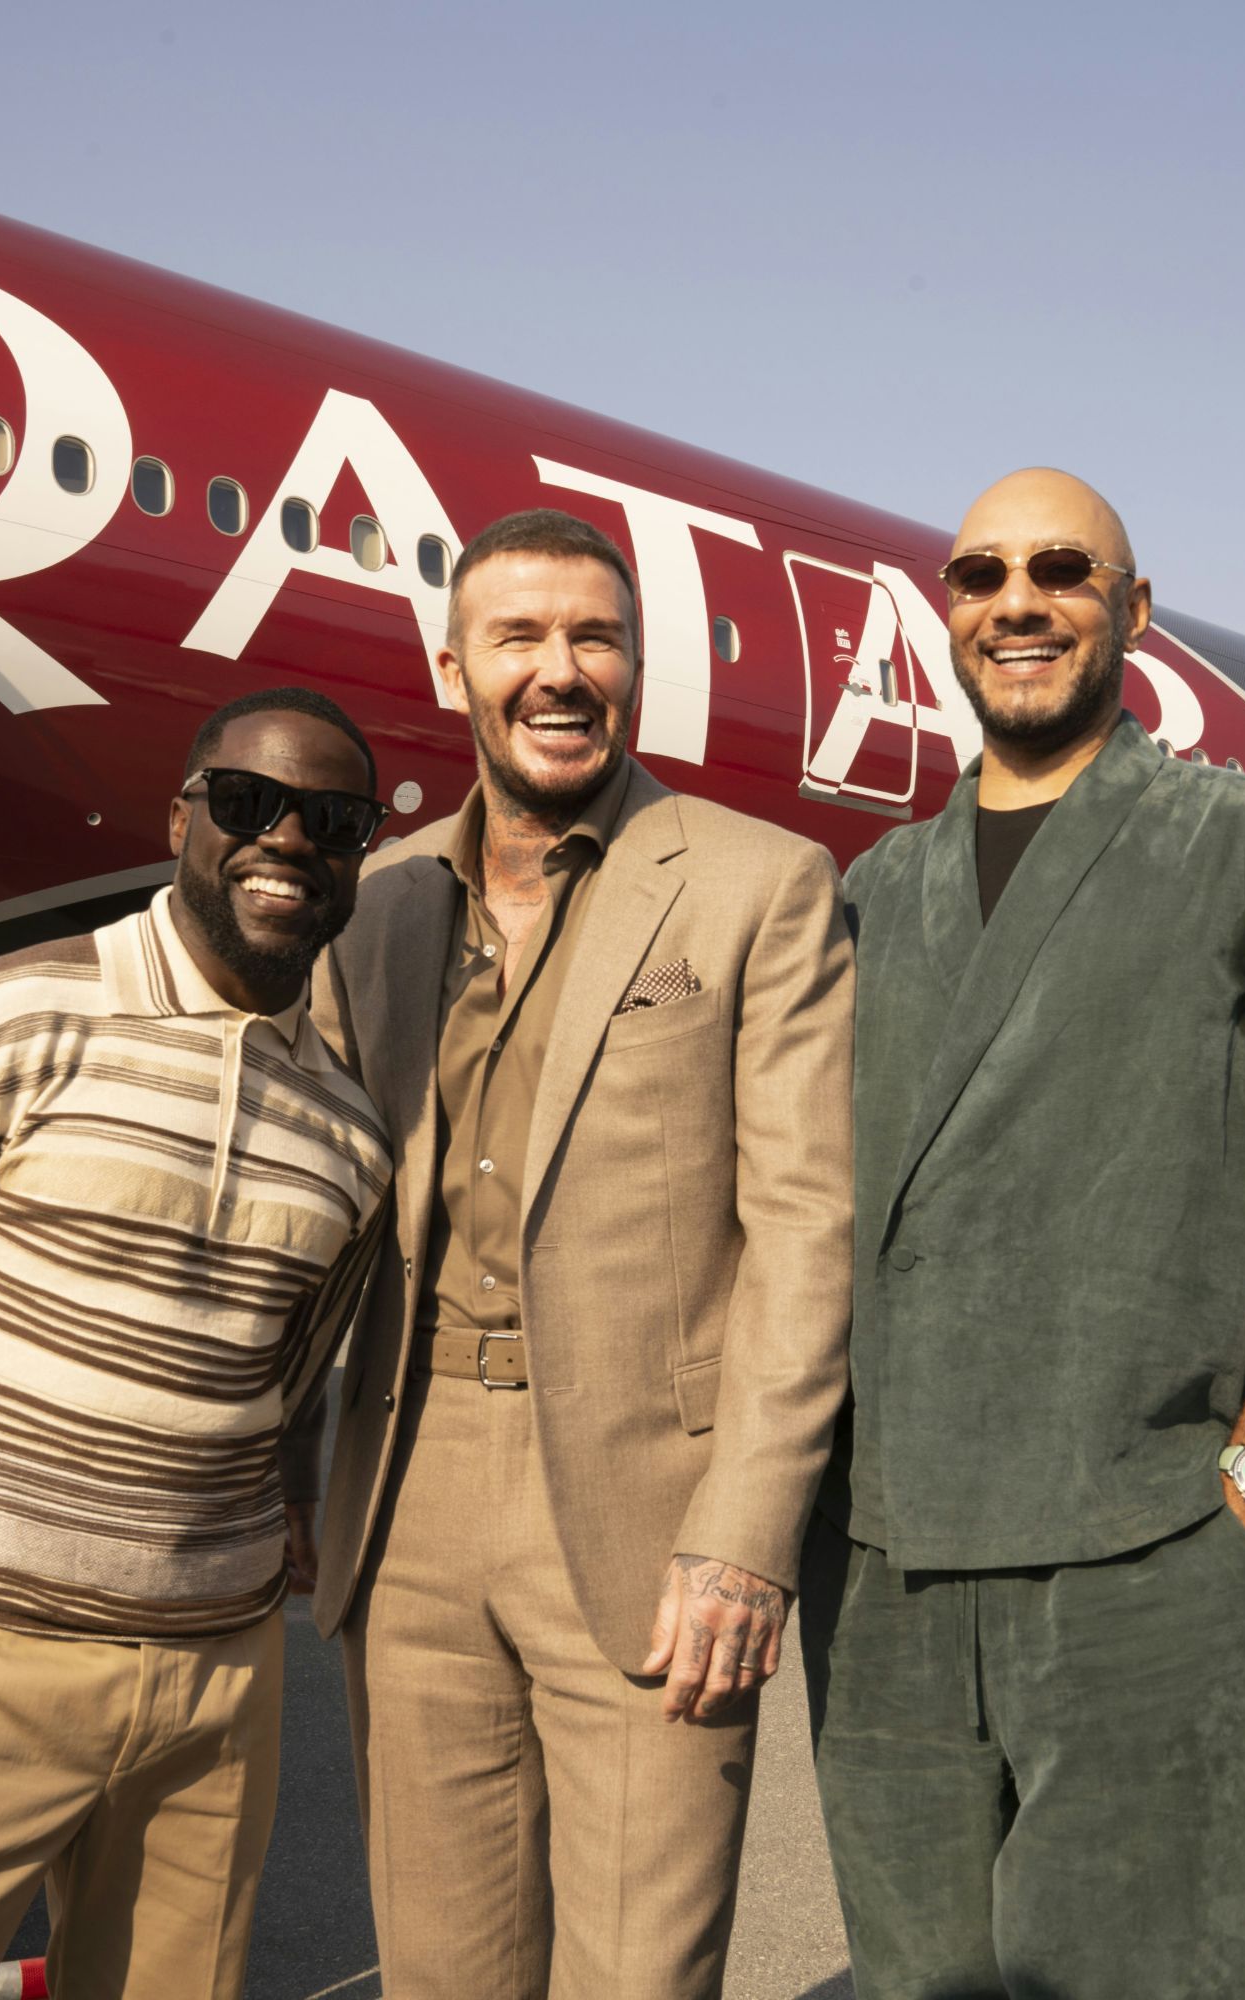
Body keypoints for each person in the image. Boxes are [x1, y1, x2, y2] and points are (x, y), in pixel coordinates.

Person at [802, 469, 1245, 1999]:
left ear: (1133, 612)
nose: (1017, 599)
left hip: (1145, 1551)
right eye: (979, 574)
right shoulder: (870, 893)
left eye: (1063, 567)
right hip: (885, 1572)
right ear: (947, 616)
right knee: (919, 1979)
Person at [0, 687, 393, 2000]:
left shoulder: (347, 1132)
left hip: (214, 1694)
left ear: (358, 858)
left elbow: (279, 1388)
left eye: (330, 822)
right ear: (182, 818)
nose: (286, 841)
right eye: (246, 804)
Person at [311, 507, 853, 1997]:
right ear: (453, 667)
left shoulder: (760, 883)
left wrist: (745, 1532)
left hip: (644, 1512)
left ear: (637, 664)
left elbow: (810, 1234)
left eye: (594, 638)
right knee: (441, 1971)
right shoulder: (373, 907)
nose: (561, 672)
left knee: (638, 1973)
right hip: (406, 1489)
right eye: (520, 637)